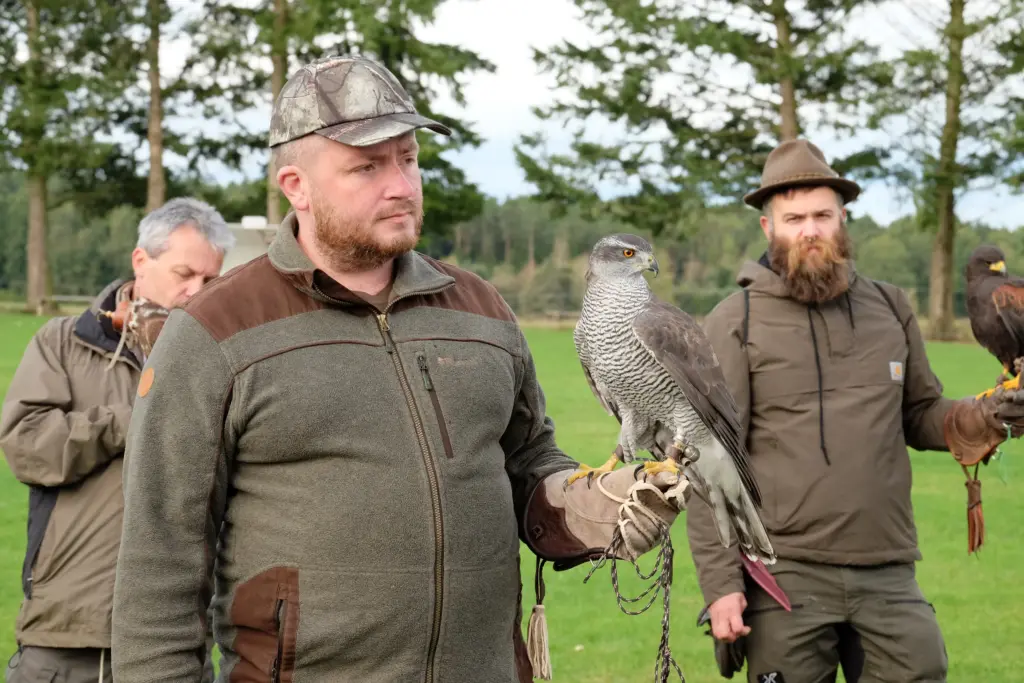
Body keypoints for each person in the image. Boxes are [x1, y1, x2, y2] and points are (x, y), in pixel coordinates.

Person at [109, 55, 690, 683]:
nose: (401, 185)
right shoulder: (215, 331)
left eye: (408, 159)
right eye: (366, 166)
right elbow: (158, 564)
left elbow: (527, 466)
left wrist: (594, 507)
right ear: (295, 185)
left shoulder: (482, 310)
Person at [685, 138, 1024, 683]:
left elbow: (920, 412)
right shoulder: (734, 321)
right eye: (794, 218)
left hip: (886, 568)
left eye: (823, 215)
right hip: (784, 572)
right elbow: (708, 460)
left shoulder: (889, 306)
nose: (811, 230)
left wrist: (988, 415)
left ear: (843, 220)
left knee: (923, 668)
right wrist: (722, 585)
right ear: (769, 229)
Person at [1, 197, 234, 683]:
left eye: (211, 281)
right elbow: (28, 446)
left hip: (175, 641)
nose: (196, 291)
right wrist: (136, 418)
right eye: (184, 273)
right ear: (140, 261)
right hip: (67, 633)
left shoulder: (225, 359)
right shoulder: (63, 341)